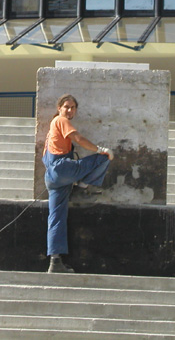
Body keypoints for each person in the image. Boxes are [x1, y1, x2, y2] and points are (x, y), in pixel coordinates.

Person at [43, 94, 113, 273]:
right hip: (61, 169)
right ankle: (81, 188)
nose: (69, 110)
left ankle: (55, 262)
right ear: (59, 108)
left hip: (52, 178)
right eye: (66, 106)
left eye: (72, 107)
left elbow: (46, 157)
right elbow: (78, 138)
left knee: (56, 218)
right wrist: (100, 149)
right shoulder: (61, 120)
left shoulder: (51, 129)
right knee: (103, 158)